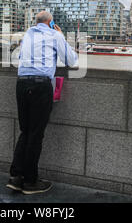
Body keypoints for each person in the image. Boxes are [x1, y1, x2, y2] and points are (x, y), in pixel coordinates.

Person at [6, 11, 78, 195]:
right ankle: (30, 182)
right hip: (40, 86)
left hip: (22, 84)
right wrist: (61, 35)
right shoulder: (54, 35)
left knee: (26, 131)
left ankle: (16, 177)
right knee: (36, 134)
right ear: (50, 22)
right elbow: (71, 60)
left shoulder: (27, 35)